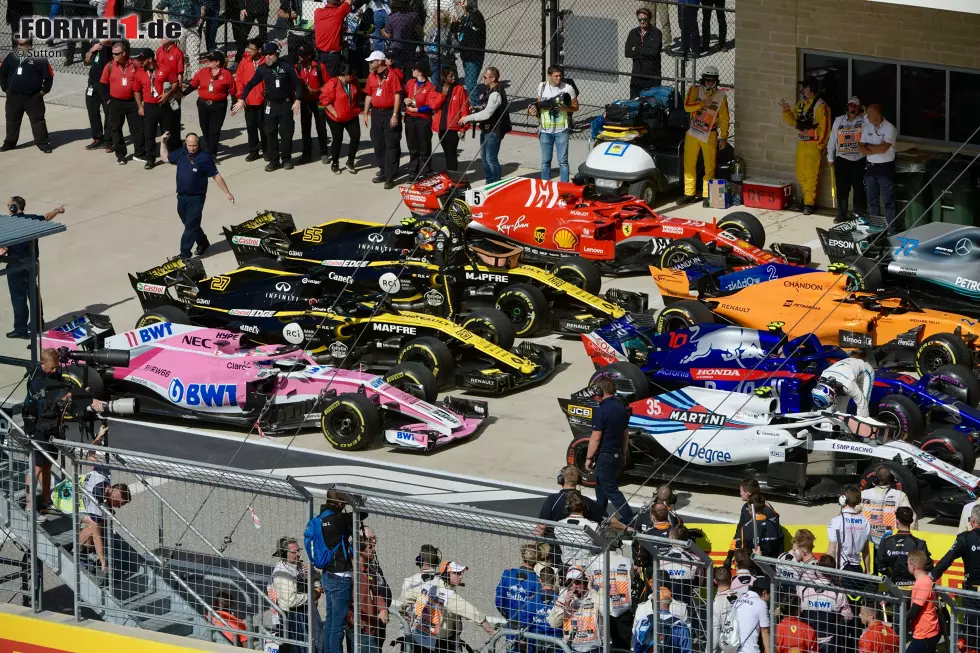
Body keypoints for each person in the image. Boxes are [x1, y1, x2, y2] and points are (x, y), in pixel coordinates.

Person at [23, 348, 103, 513]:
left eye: (56, 367)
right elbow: (57, 394)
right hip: (39, 427)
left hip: (53, 425)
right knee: (36, 467)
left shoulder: (54, 373)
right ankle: (29, 505)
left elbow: (64, 392)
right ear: (42, 363)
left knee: (47, 466)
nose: (54, 371)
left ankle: (46, 501)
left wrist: (78, 394)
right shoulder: (37, 379)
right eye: (51, 368)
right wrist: (84, 397)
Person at [160, 132, 235, 259]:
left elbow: (216, 175)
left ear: (198, 144)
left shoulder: (205, 157)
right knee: (190, 224)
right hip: (181, 197)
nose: (192, 148)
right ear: (186, 144)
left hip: (196, 197)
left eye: (194, 145)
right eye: (189, 145)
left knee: (190, 225)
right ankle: (203, 242)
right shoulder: (181, 153)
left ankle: (184, 254)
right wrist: (163, 142)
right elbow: (165, 157)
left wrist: (227, 192)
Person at [232, 43, 302, 172]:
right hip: (270, 105)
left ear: (277, 53)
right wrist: (242, 99)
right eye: (265, 55)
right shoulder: (262, 69)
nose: (268, 57)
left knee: (286, 133)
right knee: (270, 133)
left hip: (285, 104)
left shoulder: (287, 66)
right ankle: (274, 160)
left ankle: (286, 159)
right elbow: (250, 84)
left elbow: (298, 84)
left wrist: (297, 100)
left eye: (270, 54)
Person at [400, 560, 496, 652]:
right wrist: (492, 632)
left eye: (461, 573)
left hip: (416, 637)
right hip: (436, 644)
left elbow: (406, 597)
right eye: (456, 573)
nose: (460, 576)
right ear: (447, 574)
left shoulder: (428, 585)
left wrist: (402, 612)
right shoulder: (448, 595)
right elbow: (472, 613)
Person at [2, 199, 64, 339]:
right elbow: (47, 216)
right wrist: (57, 210)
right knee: (33, 292)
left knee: (19, 298)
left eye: (8, 206)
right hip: (32, 264)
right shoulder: (32, 219)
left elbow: (4, 249)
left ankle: (21, 329)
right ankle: (37, 324)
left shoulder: (9, 224)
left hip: (16, 266)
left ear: (13, 207)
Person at [583, 375, 634, 525]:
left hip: (605, 456)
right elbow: (625, 434)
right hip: (617, 454)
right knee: (600, 487)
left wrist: (588, 458)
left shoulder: (601, 410)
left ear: (600, 391)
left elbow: (596, 438)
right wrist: (624, 453)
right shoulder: (621, 408)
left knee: (610, 489)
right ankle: (599, 515)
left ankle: (630, 518)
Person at [931, 504, 980, 649]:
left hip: (972, 594)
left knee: (972, 635)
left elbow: (946, 560)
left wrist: (931, 577)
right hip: (972, 593)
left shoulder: (964, 538)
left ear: (972, 520)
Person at [779, 78, 830, 215]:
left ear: (812, 89)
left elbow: (825, 128)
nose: (803, 90)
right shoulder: (801, 105)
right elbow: (793, 122)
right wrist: (786, 112)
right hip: (802, 144)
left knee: (811, 176)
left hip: (814, 145)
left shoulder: (821, 106)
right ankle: (805, 199)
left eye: (805, 87)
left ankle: (808, 203)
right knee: (801, 174)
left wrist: (821, 145)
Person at [681, 65, 730, 205]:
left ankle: (707, 195)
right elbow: (686, 106)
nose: (709, 82)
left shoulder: (721, 96)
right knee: (689, 164)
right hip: (693, 132)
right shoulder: (694, 90)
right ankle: (688, 193)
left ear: (716, 81)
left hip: (710, 134)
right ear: (703, 80)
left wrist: (724, 137)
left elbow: (725, 118)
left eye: (712, 80)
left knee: (710, 166)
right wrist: (702, 103)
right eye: (707, 80)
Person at [1, 38, 54, 153]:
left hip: (33, 97)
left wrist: (43, 92)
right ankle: (9, 143)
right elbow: (3, 73)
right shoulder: (11, 57)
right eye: (17, 44)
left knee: (37, 121)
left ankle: (43, 143)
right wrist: (5, 89)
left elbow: (49, 77)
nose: (18, 46)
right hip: (13, 96)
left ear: (29, 45)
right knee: (12, 120)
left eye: (22, 44)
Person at [77, 464, 130, 576]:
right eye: (118, 504)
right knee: (95, 524)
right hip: (67, 503)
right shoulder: (96, 506)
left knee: (104, 518)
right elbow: (97, 536)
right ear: (113, 496)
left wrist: (93, 447)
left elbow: (92, 461)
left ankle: (88, 548)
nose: (119, 507)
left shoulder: (105, 475)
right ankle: (77, 550)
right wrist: (103, 562)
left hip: (76, 492)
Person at [529, 65, 579, 183]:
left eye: (560, 75)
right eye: (556, 76)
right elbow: (539, 105)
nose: (558, 78)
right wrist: (533, 111)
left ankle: (564, 188)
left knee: (563, 162)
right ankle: (545, 187)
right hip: (545, 130)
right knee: (545, 161)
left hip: (561, 130)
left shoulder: (568, 88)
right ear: (549, 76)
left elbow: (576, 107)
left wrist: (563, 108)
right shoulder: (542, 86)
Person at [458, 66, 508, 183]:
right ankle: (489, 180)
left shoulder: (496, 93)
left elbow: (486, 114)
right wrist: (477, 108)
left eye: (485, 77)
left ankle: (495, 183)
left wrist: (467, 118)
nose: (483, 79)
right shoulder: (489, 90)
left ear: (493, 78)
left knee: (491, 159)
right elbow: (486, 107)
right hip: (486, 129)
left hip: (493, 130)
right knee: (485, 158)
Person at [183, 50, 237, 158]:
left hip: (219, 106)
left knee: (215, 130)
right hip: (203, 104)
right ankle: (209, 147)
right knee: (205, 128)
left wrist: (234, 104)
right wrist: (183, 94)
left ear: (217, 62)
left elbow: (233, 90)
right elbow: (193, 84)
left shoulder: (226, 75)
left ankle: (212, 153)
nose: (208, 61)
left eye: (210, 60)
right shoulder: (203, 72)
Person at [100, 40, 146, 165]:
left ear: (124, 53)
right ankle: (120, 155)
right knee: (115, 129)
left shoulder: (135, 65)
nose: (113, 56)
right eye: (112, 53)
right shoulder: (109, 66)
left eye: (116, 54)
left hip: (132, 102)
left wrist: (141, 101)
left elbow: (143, 81)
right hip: (115, 102)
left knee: (137, 129)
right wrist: (108, 100)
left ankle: (139, 153)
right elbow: (103, 84)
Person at [362, 50, 404, 188]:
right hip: (376, 114)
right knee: (378, 143)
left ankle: (390, 176)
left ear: (379, 62)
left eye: (372, 61)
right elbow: (369, 95)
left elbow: (397, 95)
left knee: (391, 143)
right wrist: (366, 113)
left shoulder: (392, 75)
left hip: (389, 112)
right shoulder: (372, 76)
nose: (369, 64)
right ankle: (383, 169)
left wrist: (395, 115)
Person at [134, 48, 179, 170]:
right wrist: (140, 107)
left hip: (164, 105)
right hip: (149, 106)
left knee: (167, 131)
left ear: (150, 59)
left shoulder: (165, 68)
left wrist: (167, 94)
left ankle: (170, 155)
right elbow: (137, 91)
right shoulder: (139, 72)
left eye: (142, 60)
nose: (140, 62)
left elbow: (175, 82)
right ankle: (150, 158)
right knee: (149, 133)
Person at [798, 558, 852, 653]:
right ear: (833, 571)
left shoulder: (804, 590)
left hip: (808, 637)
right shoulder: (838, 593)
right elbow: (848, 617)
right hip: (831, 640)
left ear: (818, 569)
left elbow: (801, 612)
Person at [859, 104, 898, 232]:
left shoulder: (889, 128)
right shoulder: (867, 127)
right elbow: (861, 147)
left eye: (869, 114)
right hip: (871, 168)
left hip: (885, 168)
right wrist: (872, 150)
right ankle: (875, 229)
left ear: (878, 114)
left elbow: (884, 148)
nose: (867, 116)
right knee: (872, 200)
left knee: (888, 201)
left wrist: (869, 148)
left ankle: (891, 230)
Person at [827, 96, 866, 223]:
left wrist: (864, 114)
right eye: (850, 105)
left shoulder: (864, 121)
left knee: (859, 189)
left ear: (859, 108)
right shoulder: (839, 120)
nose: (852, 108)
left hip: (859, 160)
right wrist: (830, 157)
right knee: (842, 189)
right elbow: (832, 139)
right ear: (847, 106)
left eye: (855, 106)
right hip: (842, 160)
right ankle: (841, 214)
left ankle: (858, 215)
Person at [548, 566, 604, 653]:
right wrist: (565, 604)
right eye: (570, 583)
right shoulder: (564, 594)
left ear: (585, 581)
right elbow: (553, 623)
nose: (574, 586)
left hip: (593, 647)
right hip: (570, 647)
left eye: (577, 582)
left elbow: (607, 611)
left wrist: (591, 589)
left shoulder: (595, 592)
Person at [588, 545, 633, 649]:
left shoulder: (593, 561)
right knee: (622, 648)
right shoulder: (627, 560)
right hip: (623, 609)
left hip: (603, 610)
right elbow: (632, 578)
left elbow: (590, 582)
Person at [321, 63, 362, 174]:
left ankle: (350, 161)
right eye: (352, 75)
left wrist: (357, 107)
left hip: (351, 115)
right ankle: (335, 163)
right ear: (345, 75)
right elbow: (325, 100)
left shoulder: (354, 83)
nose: (354, 77)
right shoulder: (332, 83)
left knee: (355, 137)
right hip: (336, 118)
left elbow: (358, 95)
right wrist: (335, 113)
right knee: (337, 139)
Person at [874, 506, 929, 588]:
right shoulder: (919, 544)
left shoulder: (886, 542)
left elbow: (879, 564)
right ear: (911, 522)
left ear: (897, 521)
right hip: (913, 588)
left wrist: (890, 575)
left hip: (891, 587)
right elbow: (927, 566)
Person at [272, 537, 310, 653]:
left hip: (300, 614)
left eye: (299, 550)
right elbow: (291, 601)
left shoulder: (297, 565)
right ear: (284, 554)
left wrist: (311, 574)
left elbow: (315, 580)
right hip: (290, 618)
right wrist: (312, 596)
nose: (298, 554)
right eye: (294, 552)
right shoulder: (282, 573)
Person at [354, 526, 388, 653]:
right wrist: (357, 622)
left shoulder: (371, 569)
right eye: (371, 544)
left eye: (375, 540)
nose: (374, 548)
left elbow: (377, 592)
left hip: (373, 627)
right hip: (360, 629)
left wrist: (383, 608)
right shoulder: (351, 570)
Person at [294, 44, 330, 165]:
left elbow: (328, 84)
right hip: (304, 101)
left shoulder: (320, 67)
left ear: (309, 56)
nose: (299, 57)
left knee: (321, 127)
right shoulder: (297, 68)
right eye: (298, 54)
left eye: (302, 55)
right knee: (305, 128)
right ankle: (306, 153)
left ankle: (324, 152)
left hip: (318, 101)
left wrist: (317, 90)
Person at [496, 543, 542, 636]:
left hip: (511, 622)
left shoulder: (508, 573)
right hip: (528, 628)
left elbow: (498, 601)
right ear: (537, 560)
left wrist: (508, 616)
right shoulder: (538, 582)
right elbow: (537, 609)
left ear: (522, 556)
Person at [234, 38, 268, 162]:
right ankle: (253, 151)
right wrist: (241, 97)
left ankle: (267, 151)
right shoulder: (244, 62)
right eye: (248, 48)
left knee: (264, 128)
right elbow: (239, 79)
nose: (248, 51)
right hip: (249, 101)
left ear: (259, 50)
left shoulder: (266, 62)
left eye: (252, 49)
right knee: (251, 127)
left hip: (263, 101)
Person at [515, 565, 563, 653]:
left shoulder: (531, 600)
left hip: (535, 644)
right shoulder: (560, 600)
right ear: (555, 580)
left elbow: (524, 624)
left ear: (539, 580)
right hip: (556, 644)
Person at [861, 466, 914, 545]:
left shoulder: (864, 494)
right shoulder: (900, 495)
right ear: (892, 479)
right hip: (892, 542)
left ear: (875, 479)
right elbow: (911, 518)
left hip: (867, 541)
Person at [810, 355, 875, 418]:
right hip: (846, 370)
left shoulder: (847, 385)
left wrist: (862, 421)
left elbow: (861, 403)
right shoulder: (823, 376)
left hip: (864, 372)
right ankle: (838, 427)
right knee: (840, 409)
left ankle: (862, 426)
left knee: (863, 403)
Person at [404, 60, 438, 177]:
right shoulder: (410, 83)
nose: (412, 71)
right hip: (409, 119)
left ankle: (426, 170)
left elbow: (430, 106)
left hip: (423, 120)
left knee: (424, 146)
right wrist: (405, 100)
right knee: (412, 146)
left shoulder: (430, 87)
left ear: (420, 72)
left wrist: (416, 110)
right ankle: (413, 171)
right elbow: (405, 95)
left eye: (414, 69)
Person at [431, 66, 469, 171]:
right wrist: (442, 94)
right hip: (441, 126)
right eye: (451, 76)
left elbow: (464, 109)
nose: (454, 78)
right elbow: (433, 105)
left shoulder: (460, 89)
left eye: (454, 75)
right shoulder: (437, 88)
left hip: (453, 127)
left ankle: (453, 177)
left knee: (452, 153)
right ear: (444, 77)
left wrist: (463, 128)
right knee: (447, 153)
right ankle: (450, 174)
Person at [632, 586, 690, 653]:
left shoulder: (642, 623)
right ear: (670, 602)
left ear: (653, 602)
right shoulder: (680, 626)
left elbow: (636, 648)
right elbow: (687, 650)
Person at [826, 486, 871, 573]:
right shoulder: (865, 521)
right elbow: (866, 552)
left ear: (843, 500)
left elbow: (831, 550)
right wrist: (867, 571)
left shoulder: (836, 521)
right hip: (858, 569)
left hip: (841, 570)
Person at [451, 0, 485, 106]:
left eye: (464, 0)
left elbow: (476, 22)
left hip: (474, 57)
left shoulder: (477, 16)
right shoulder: (464, 18)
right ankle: (473, 105)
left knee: (470, 84)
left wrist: (470, 6)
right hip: (465, 55)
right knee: (469, 82)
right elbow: (455, 31)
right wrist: (454, 24)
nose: (461, 2)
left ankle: (475, 107)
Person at [624, 6, 662, 99]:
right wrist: (646, 52)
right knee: (635, 100)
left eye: (644, 19)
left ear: (649, 19)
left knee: (651, 102)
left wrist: (637, 49)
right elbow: (627, 52)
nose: (642, 22)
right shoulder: (634, 32)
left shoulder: (656, 33)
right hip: (637, 74)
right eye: (639, 19)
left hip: (652, 74)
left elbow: (654, 52)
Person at [83, 39, 114, 151]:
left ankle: (108, 140)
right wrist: (92, 50)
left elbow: (109, 42)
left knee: (109, 112)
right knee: (92, 111)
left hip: (106, 83)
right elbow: (86, 61)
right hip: (93, 83)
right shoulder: (95, 43)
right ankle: (97, 138)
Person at [907, 550, 941, 653]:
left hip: (925, 634)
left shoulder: (923, 583)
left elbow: (914, 612)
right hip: (926, 632)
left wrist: (900, 618)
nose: (907, 566)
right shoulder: (923, 581)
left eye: (907, 563)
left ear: (913, 566)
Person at [732, 493, 782, 559]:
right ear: (764, 507)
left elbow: (743, 551)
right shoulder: (776, 526)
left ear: (750, 507)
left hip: (754, 565)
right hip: (772, 565)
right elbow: (780, 548)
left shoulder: (746, 528)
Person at [383, 0, 423, 78]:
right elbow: (420, 32)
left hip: (395, 47)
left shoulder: (392, 17)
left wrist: (383, 31)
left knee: (396, 69)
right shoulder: (413, 16)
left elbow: (389, 35)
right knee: (408, 69)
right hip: (409, 47)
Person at [314, 0, 355, 75]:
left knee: (320, 78)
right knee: (332, 81)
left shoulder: (317, 12)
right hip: (332, 56)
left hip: (319, 54)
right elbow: (349, 1)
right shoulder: (339, 12)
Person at [731, 577, 771, 653]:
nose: (770, 598)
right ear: (764, 593)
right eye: (770, 595)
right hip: (749, 650)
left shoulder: (739, 599)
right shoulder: (761, 604)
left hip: (732, 647)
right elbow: (765, 632)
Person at [232, 0, 269, 65]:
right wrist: (242, 8)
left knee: (263, 35)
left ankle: (263, 58)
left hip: (262, 9)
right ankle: (237, 60)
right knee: (243, 35)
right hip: (249, 10)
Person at [712, 567, 737, 653]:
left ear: (715, 581)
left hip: (725, 648)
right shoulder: (742, 597)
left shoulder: (716, 604)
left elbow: (714, 635)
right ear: (731, 579)